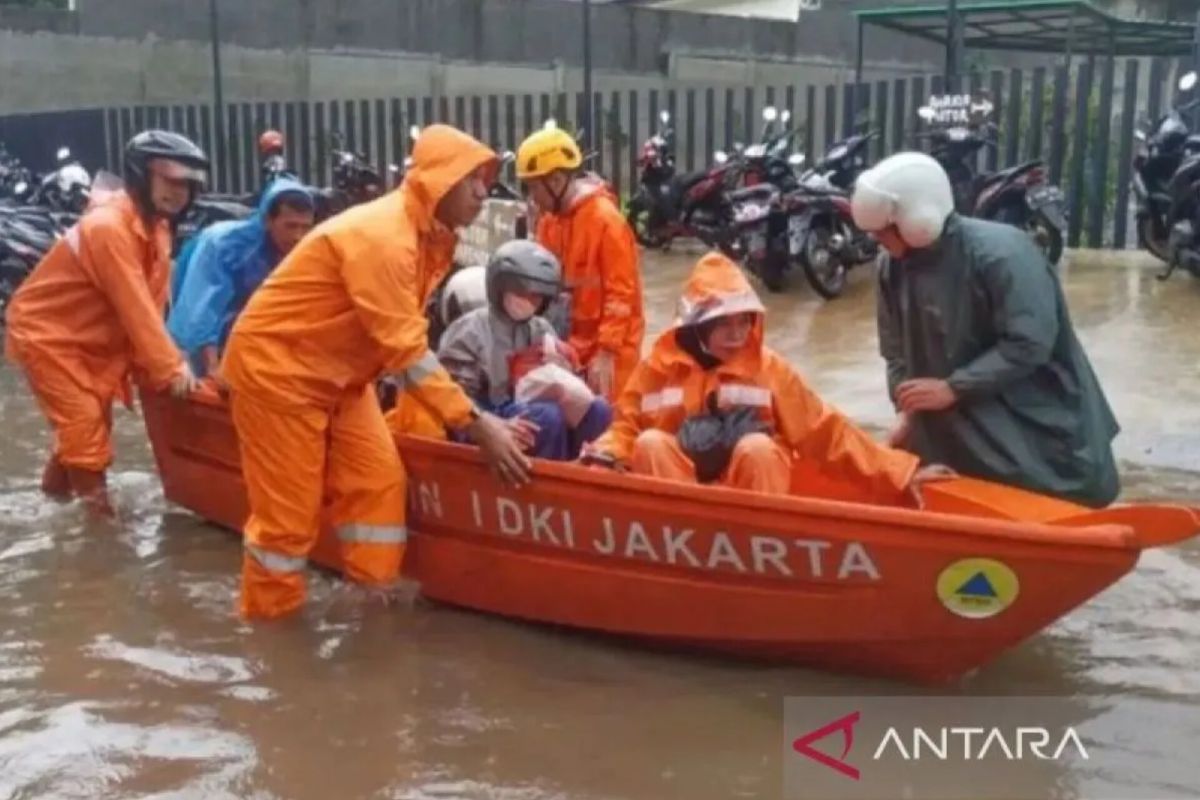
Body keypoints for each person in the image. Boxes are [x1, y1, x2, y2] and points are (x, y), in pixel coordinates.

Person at [220, 124, 532, 621]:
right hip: (279, 371)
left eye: (486, 180)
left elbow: (404, 345)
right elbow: (407, 351)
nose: (483, 192)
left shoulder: (429, 237)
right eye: (473, 179)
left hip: (344, 378)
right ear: (440, 181)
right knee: (286, 527)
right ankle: (269, 642)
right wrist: (476, 424)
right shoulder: (384, 238)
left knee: (381, 483)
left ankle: (370, 603)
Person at [852, 152, 1120, 507]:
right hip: (949, 419)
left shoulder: (1003, 254)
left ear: (915, 220)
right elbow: (896, 349)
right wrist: (907, 410)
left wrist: (954, 387)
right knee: (956, 501)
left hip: (1026, 410)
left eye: (883, 231)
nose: (877, 241)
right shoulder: (891, 267)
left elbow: (1029, 343)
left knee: (1044, 499)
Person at [582, 251, 946, 503]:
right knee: (649, 443)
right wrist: (601, 456)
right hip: (680, 506)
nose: (737, 335)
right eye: (724, 325)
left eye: (744, 322)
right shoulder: (656, 368)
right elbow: (625, 426)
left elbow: (826, 431)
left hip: (753, 509)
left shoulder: (768, 369)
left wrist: (899, 473)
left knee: (758, 448)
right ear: (697, 327)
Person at [5, 130, 207, 516]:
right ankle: (99, 536)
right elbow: (134, 305)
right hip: (48, 335)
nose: (181, 192)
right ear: (141, 176)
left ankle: (54, 504)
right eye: (172, 180)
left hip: (92, 338)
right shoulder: (108, 228)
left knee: (86, 429)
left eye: (188, 184)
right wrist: (169, 368)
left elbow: (153, 302)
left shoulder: (158, 228)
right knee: (85, 429)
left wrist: (165, 362)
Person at [439, 239, 612, 461]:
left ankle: (586, 474)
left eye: (537, 296)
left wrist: (567, 368)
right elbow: (454, 400)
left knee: (598, 409)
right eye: (523, 293)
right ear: (499, 288)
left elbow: (564, 384)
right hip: (483, 416)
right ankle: (547, 485)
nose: (530, 301)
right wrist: (488, 422)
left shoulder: (542, 328)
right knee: (546, 418)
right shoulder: (468, 331)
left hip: (529, 406)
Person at [517, 126, 644, 401]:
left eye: (534, 187)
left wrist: (607, 352)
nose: (532, 197)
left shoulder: (606, 221)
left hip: (610, 351)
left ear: (557, 180)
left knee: (611, 430)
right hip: (570, 346)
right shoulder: (548, 222)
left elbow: (621, 294)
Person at [167, 178, 315, 379]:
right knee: (196, 372)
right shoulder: (225, 245)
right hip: (199, 282)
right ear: (268, 221)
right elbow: (204, 306)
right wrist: (213, 368)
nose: (298, 236)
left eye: (305, 227)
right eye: (290, 226)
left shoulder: (305, 249)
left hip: (244, 309)